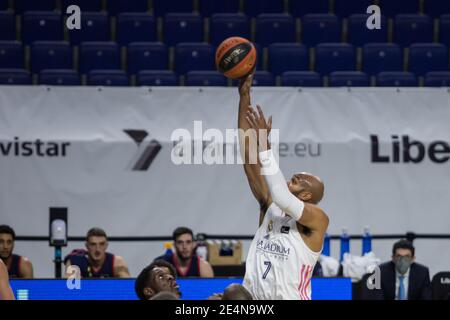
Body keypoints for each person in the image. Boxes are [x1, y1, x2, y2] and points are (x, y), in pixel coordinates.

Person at [238, 74, 329, 300]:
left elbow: (281, 195)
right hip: (254, 302)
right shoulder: (270, 204)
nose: (292, 177)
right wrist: (243, 97)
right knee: (231, 295)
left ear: (307, 194)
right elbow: (248, 154)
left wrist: (266, 147)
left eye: (299, 180)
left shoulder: (318, 219)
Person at [64, 227, 130, 278]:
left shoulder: (116, 262)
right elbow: (70, 289)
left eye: (102, 244)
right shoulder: (75, 261)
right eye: (93, 244)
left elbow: (127, 287)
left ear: (106, 245)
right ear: (87, 246)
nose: (97, 249)